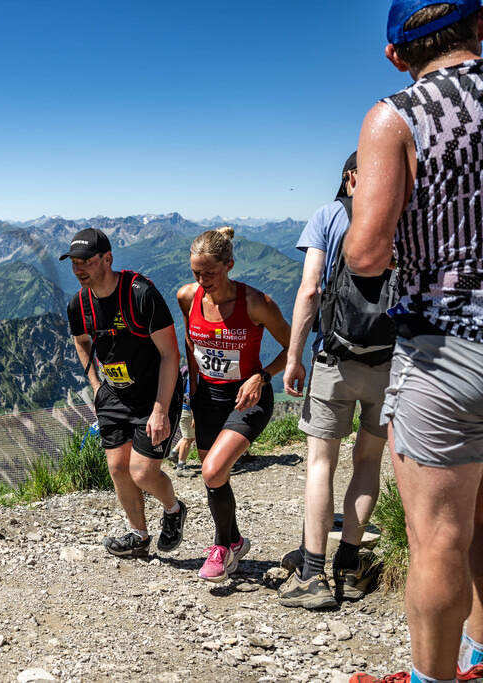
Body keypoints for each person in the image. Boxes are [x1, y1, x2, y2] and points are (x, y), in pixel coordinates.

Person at [345, 2, 483, 682]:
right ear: (481, 27)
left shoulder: (395, 116)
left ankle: (435, 678)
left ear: (397, 55)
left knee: (438, 539)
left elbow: (367, 254)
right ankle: (481, 658)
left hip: (446, 342)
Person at [278, 152, 389, 610]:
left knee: (321, 463)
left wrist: (293, 357)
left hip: (335, 358)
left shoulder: (330, 214)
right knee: (368, 461)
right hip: (389, 362)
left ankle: (312, 573)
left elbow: (310, 289)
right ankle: (349, 564)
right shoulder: (405, 217)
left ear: (348, 178)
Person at [63, 227, 187, 559]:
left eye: (85, 262)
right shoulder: (79, 303)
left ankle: (173, 509)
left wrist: (161, 409)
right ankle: (139, 534)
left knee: (143, 472)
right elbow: (81, 341)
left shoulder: (141, 295)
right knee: (118, 468)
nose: (78, 269)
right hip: (114, 395)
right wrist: (96, 385)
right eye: (74, 262)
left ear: (107, 259)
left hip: (154, 395)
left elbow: (170, 354)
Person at [177, 227, 291, 582]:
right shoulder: (187, 296)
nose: (202, 279)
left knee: (211, 470)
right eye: (196, 272)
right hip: (206, 397)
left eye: (209, 272)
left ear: (230, 265)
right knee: (216, 478)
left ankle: (221, 548)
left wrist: (263, 376)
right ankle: (235, 540)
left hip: (248, 397)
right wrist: (193, 396)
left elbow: (293, 348)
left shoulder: (256, 303)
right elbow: (190, 348)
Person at [173, 366, 196, 478]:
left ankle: (174, 453)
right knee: (187, 439)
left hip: (182, 408)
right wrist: (194, 416)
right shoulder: (195, 375)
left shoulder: (186, 369)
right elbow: (192, 397)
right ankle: (181, 466)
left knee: (189, 436)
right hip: (188, 410)